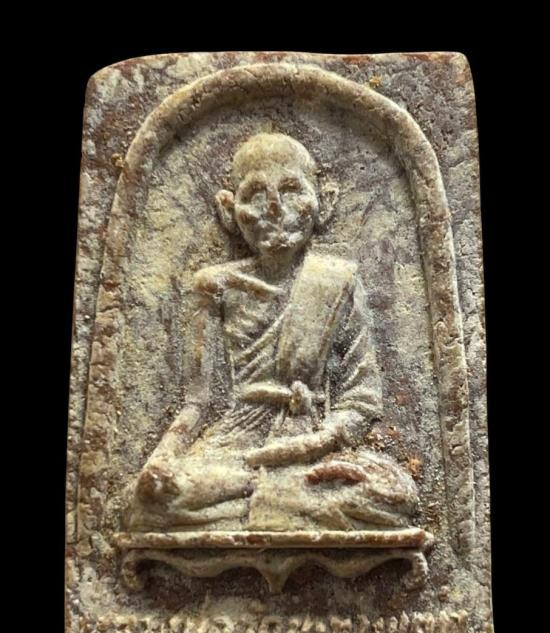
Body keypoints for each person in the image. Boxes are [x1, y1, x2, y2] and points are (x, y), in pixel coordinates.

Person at [127, 133, 418, 533]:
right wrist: (161, 459)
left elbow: (361, 399)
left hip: (311, 446)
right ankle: (278, 502)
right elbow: (196, 402)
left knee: (396, 496)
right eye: (256, 195)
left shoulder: (337, 280)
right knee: (153, 498)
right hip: (234, 448)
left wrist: (319, 441)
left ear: (325, 202)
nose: (276, 208)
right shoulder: (214, 284)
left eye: (292, 191)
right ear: (229, 210)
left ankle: (265, 502)